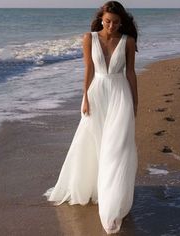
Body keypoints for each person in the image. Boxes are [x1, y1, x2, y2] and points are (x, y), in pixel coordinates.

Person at [43, 1, 138, 234]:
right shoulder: (89, 38)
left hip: (119, 95)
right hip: (96, 94)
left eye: (116, 22)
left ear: (122, 22)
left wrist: (135, 101)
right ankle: (96, 188)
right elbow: (89, 69)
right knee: (93, 142)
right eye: (108, 21)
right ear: (101, 19)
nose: (112, 25)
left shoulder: (128, 41)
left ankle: (113, 201)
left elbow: (130, 72)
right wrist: (84, 97)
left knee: (116, 148)